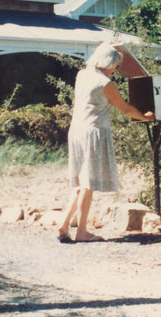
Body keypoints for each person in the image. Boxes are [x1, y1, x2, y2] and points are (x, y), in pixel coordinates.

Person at [59, 42, 154, 243]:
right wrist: (145, 117)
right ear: (108, 63)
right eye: (115, 66)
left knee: (79, 183)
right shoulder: (105, 84)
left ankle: (64, 225)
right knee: (88, 184)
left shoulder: (82, 75)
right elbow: (126, 109)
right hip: (93, 133)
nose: (115, 70)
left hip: (76, 130)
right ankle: (82, 231)